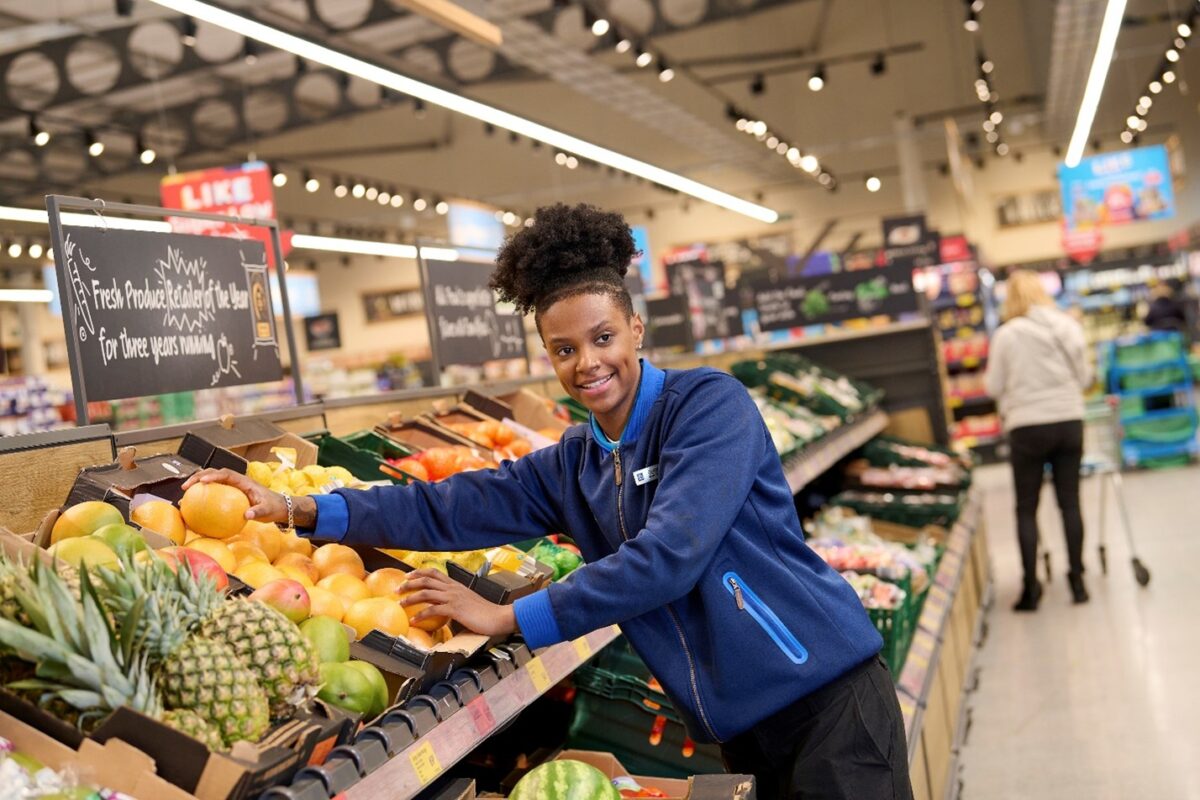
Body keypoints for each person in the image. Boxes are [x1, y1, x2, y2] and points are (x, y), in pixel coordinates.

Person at [185, 203, 912, 799]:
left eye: (602, 338)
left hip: (828, 700)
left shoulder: (706, 407)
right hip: (744, 727)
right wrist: (297, 510)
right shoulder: (576, 461)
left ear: (635, 327)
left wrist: (511, 616)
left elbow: (671, 556)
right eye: (564, 350)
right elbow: (451, 507)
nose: (587, 363)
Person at [985, 270, 1093, 611]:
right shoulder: (1067, 326)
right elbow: (1086, 377)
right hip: (1068, 420)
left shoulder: (1006, 335)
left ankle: (1031, 590)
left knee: (1026, 509)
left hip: (1027, 426)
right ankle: (1077, 582)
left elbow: (992, 386)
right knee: (1070, 503)